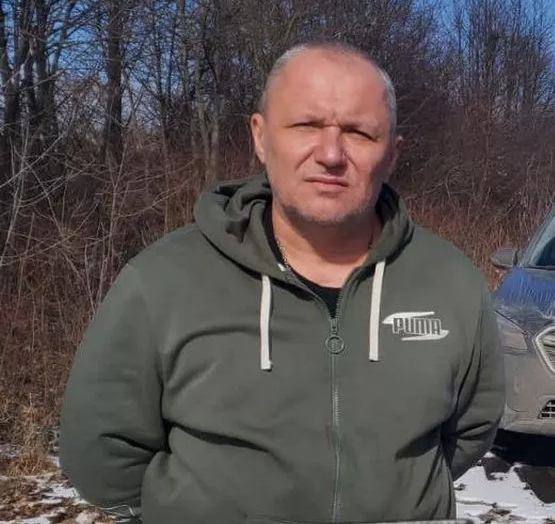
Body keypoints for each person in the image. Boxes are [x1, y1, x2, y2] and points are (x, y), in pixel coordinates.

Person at [59, 41, 506, 524]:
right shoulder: (163, 280)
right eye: (306, 125)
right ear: (260, 136)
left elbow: (469, 431)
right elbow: (101, 453)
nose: (331, 154)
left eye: (359, 132)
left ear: (392, 154)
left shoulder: (450, 281)